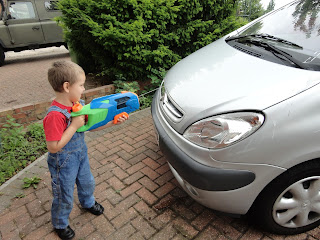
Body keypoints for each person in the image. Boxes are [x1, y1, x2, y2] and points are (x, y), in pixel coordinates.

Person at [43, 60, 128, 240]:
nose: (83, 89)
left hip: (81, 154)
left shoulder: (78, 104)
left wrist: (112, 122)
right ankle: (60, 223)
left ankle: (87, 202)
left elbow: (89, 126)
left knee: (87, 181)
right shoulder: (55, 115)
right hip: (63, 162)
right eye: (81, 85)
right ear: (67, 86)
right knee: (64, 193)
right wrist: (73, 126)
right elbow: (53, 147)